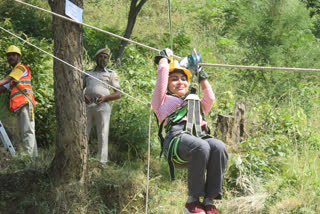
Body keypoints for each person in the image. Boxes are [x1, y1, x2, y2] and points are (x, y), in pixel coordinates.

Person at [152, 48, 228, 214]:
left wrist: (200, 73)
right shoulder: (162, 101)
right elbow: (163, 73)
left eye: (183, 79)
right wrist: (163, 58)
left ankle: (209, 200)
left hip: (199, 136)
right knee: (201, 146)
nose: (180, 82)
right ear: (167, 84)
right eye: (174, 80)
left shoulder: (194, 101)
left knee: (219, 146)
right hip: (177, 139)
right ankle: (192, 200)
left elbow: (210, 98)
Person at [83, 47, 121, 163]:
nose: (103, 59)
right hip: (87, 106)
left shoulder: (111, 74)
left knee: (103, 133)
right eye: (101, 57)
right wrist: (83, 96)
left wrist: (105, 97)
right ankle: (82, 157)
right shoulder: (87, 73)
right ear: (96, 58)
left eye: (106, 57)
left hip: (102, 106)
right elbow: (78, 89)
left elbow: (118, 94)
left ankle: (102, 162)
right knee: (83, 132)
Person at [0, 45, 38, 157]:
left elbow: (6, 80)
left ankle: (27, 157)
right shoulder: (13, 73)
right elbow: (2, 88)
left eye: (13, 55)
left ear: (18, 57)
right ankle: (34, 158)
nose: (10, 57)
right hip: (20, 106)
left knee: (27, 131)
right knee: (26, 131)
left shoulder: (21, 68)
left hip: (25, 103)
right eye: (9, 55)